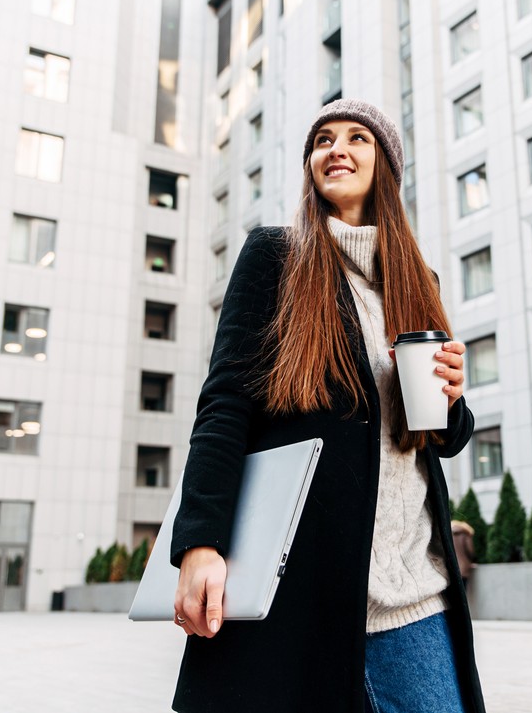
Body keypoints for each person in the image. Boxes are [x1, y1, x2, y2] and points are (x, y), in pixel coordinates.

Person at [170, 99, 486, 713]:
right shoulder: (276, 259)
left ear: (386, 167)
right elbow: (224, 406)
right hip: (305, 589)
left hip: (413, 595)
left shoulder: (419, 282)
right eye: (322, 140)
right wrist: (199, 542)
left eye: (357, 138)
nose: (336, 148)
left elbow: (435, 438)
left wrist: (451, 398)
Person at [451, 520, 476, 593]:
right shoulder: (466, 534)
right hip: (463, 567)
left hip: (450, 567)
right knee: (462, 591)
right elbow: (470, 550)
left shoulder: (448, 534)